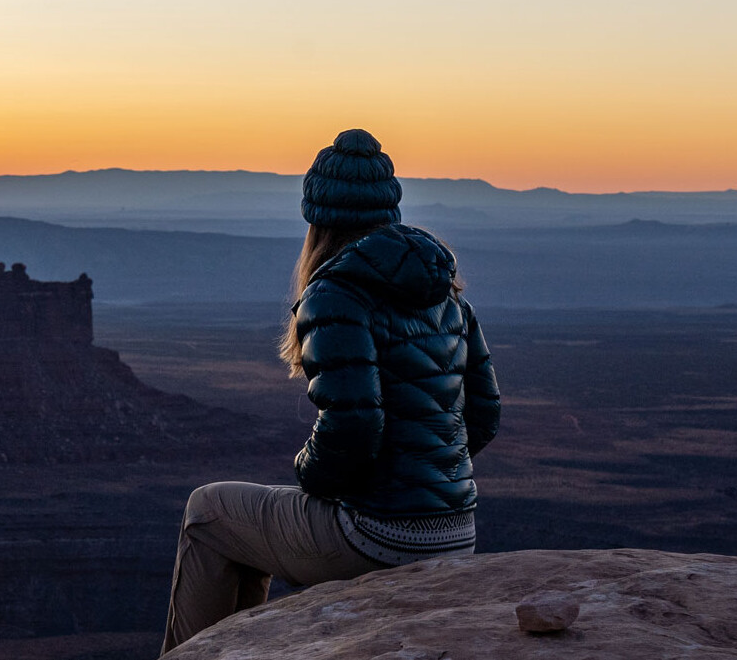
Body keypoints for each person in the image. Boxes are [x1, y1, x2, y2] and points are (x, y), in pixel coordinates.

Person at [159, 128, 501, 655]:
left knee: (208, 512)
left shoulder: (334, 293)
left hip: (380, 539)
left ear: (318, 219)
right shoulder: (446, 291)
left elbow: (354, 425)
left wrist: (311, 473)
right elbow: (483, 415)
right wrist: (425, 473)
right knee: (243, 529)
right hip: (457, 532)